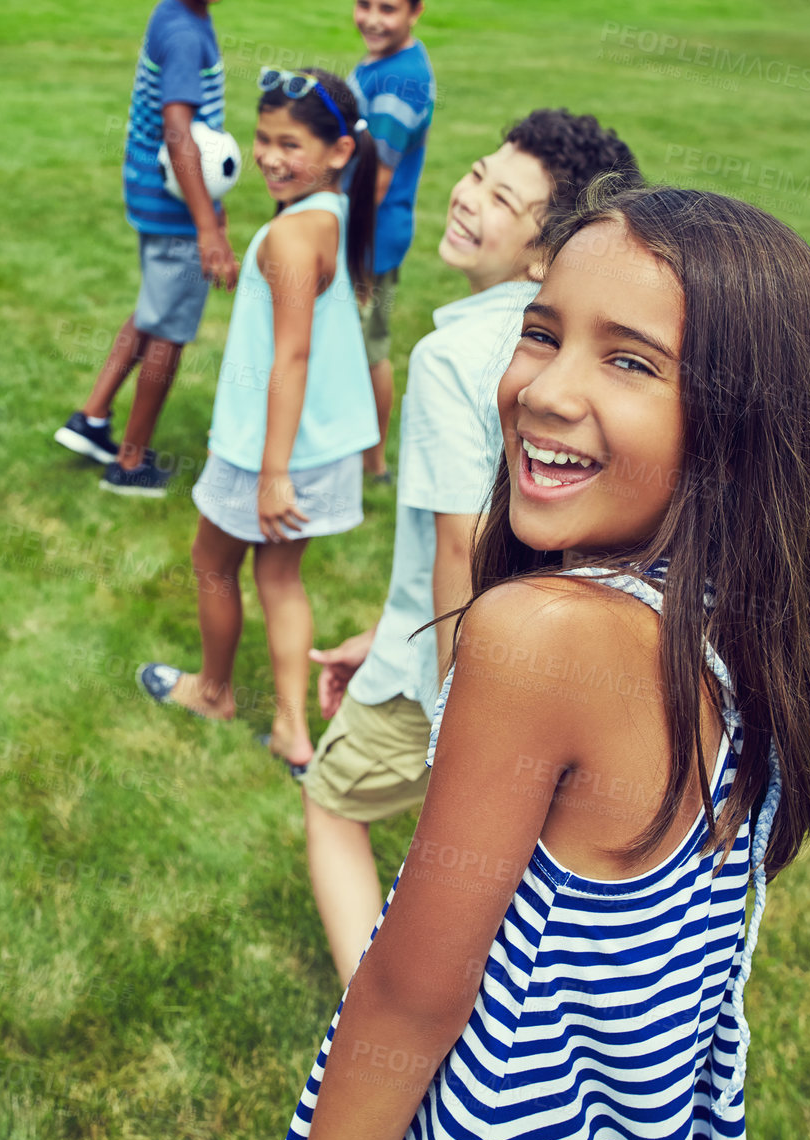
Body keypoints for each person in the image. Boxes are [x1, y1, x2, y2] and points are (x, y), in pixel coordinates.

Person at [283, 183, 810, 1140]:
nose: (543, 389)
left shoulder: (537, 639)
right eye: (539, 332)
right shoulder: (745, 631)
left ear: (740, 425)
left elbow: (407, 1001)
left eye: (629, 359)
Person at [302, 109, 640, 982]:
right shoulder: (580, 352)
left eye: (502, 197)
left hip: (452, 669)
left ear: (543, 255)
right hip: (549, 659)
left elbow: (461, 544)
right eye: (478, 172)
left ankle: (367, 1007)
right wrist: (386, 631)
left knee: (332, 805)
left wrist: (459, 719)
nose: (468, 195)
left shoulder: (455, 357)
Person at [137, 68, 379, 773]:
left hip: (267, 450)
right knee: (280, 579)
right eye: (263, 139)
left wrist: (272, 474)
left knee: (212, 563)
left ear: (337, 151)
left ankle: (214, 692)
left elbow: (292, 358)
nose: (270, 156)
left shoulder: (293, 237)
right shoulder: (333, 209)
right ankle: (291, 733)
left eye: (290, 144)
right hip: (323, 443)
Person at [53, 0, 240, 497]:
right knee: (169, 332)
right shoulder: (183, 31)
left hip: (160, 198)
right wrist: (207, 228)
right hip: (175, 208)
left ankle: (92, 418)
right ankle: (130, 461)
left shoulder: (178, 12)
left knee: (152, 312)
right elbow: (178, 132)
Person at [347, 0, 434, 484]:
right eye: (364, 5)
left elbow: (376, 179)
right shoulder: (384, 61)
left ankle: (374, 464)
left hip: (371, 239)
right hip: (368, 234)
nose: (373, 19)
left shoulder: (401, 80)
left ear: (415, 11)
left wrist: (352, 253)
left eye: (388, 8)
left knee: (370, 348)